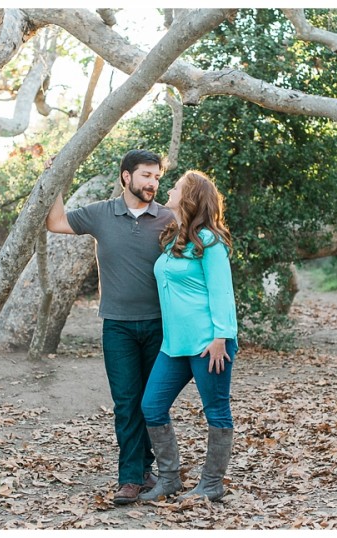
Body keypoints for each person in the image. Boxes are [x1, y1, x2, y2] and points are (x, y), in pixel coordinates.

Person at [46, 149, 175, 505]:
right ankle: (131, 477)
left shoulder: (169, 218)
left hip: (160, 325)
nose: (152, 183)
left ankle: (149, 469)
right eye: (146, 176)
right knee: (125, 402)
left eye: (157, 177)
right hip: (117, 326)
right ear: (126, 176)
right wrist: (55, 176)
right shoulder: (100, 213)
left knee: (152, 404)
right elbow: (54, 222)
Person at [139, 170, 238, 503]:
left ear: (190, 197)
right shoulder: (173, 238)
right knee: (151, 406)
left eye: (176, 187)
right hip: (174, 345)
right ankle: (169, 479)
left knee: (216, 412)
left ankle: (212, 484)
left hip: (210, 344)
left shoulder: (210, 241)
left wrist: (222, 336)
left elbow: (222, 291)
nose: (169, 189)